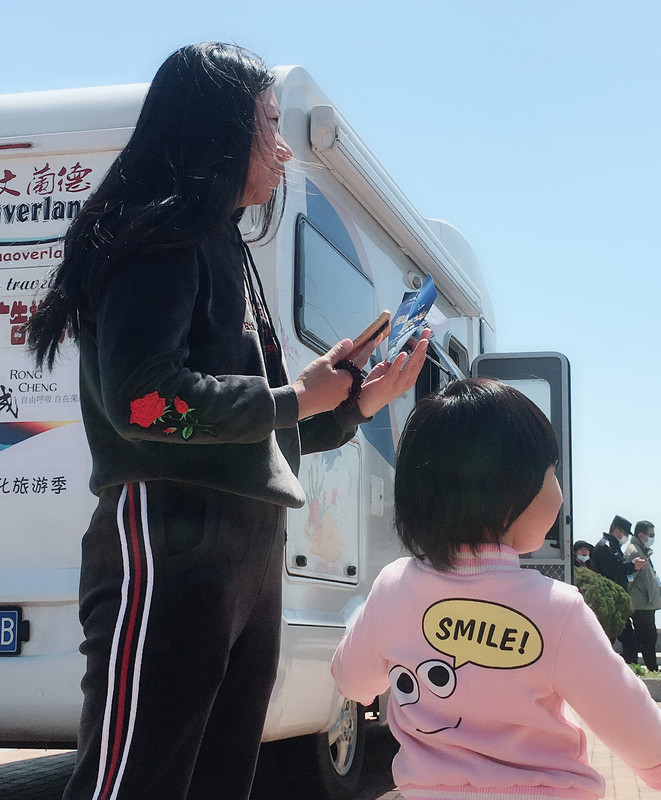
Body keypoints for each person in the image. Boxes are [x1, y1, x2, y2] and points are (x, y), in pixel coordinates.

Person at [26, 43, 429, 800]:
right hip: (169, 534)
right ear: (215, 130)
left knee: (219, 780)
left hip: (243, 545)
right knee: (136, 780)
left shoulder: (221, 243)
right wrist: (294, 397)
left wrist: (353, 404)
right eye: (268, 125)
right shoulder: (159, 240)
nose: (283, 148)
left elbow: (248, 428)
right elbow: (144, 402)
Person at [331, 379, 661, 800]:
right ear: (509, 492)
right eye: (551, 473)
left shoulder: (394, 587)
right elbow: (619, 707)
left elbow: (352, 681)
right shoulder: (556, 608)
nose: (559, 491)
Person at [594, 514, 644, 663]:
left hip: (617, 601)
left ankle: (629, 666)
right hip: (610, 601)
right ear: (617, 531)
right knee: (616, 638)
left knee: (627, 639)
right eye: (625, 534)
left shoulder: (613, 546)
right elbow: (613, 571)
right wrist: (632, 566)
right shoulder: (605, 546)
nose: (626, 538)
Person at [625, 520, 661, 672]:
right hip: (640, 603)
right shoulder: (634, 551)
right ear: (641, 535)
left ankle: (651, 667)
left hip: (646, 602)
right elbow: (629, 578)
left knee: (649, 636)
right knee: (647, 637)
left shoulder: (642, 550)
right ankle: (651, 668)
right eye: (651, 535)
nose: (653, 538)